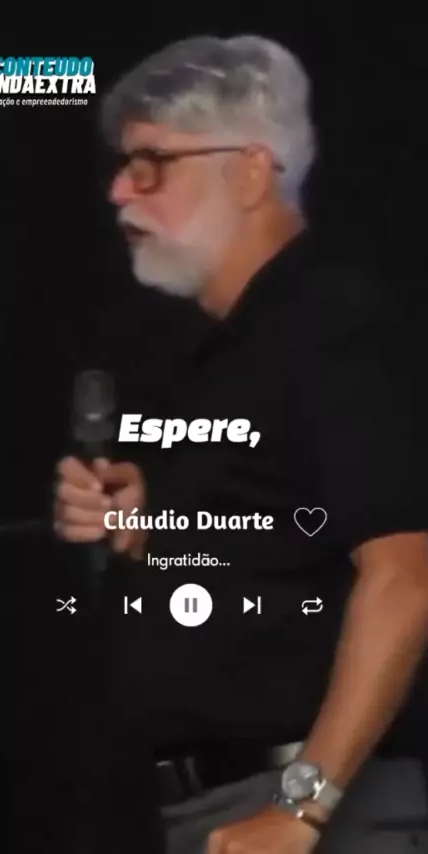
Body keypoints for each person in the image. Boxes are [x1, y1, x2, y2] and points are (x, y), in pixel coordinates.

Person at [53, 35, 428, 853]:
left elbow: (407, 573)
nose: (119, 190)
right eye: (123, 165)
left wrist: (302, 807)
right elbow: (281, 551)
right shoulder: (226, 354)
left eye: (151, 163)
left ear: (252, 172)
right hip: (223, 811)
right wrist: (154, 529)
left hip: (315, 812)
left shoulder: (331, 322)